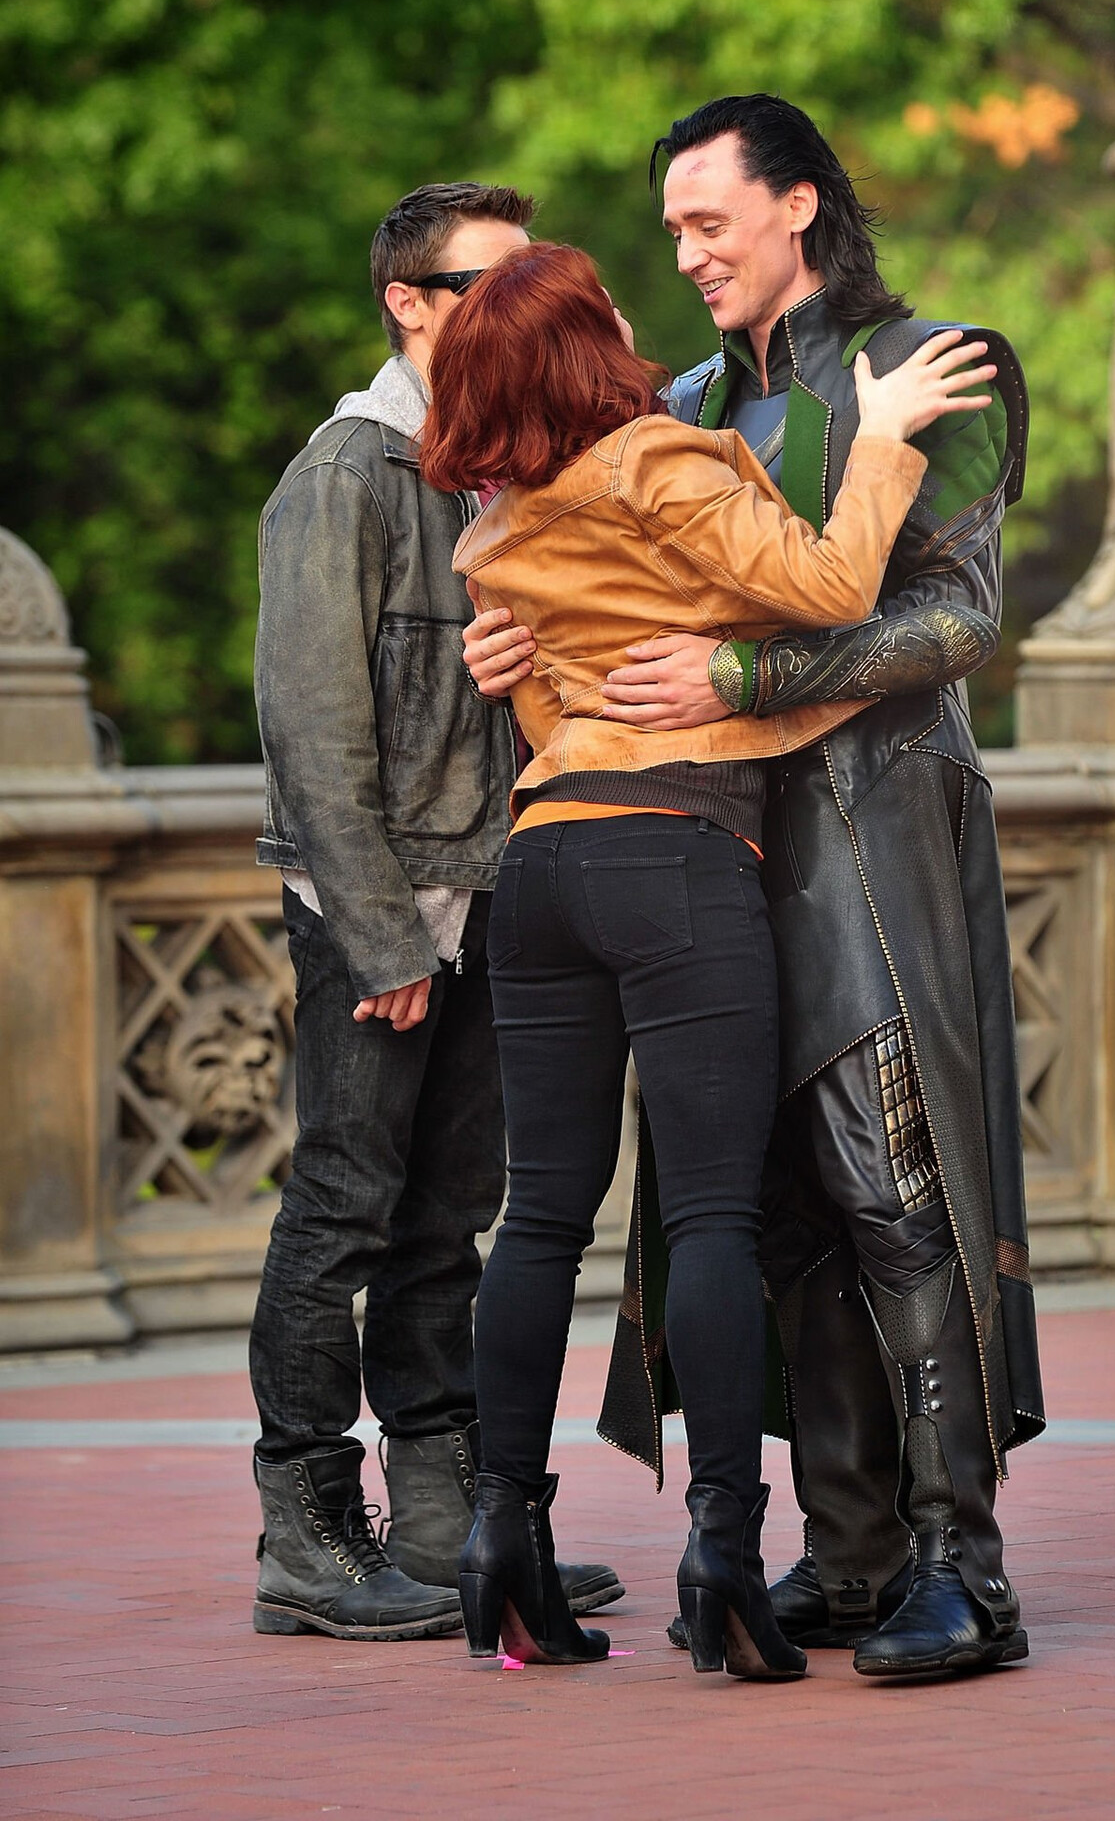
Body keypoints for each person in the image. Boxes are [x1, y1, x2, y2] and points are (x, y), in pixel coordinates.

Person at [466, 95, 1046, 1683]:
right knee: (766, 1212)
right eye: (669, 229)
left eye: (706, 220)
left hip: (868, 835)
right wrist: (521, 646)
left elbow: (955, 619)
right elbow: (572, 575)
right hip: (691, 844)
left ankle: (961, 1567)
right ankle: (848, 1554)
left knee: (891, 1190)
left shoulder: (936, 363)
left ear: (798, 204)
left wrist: (742, 674)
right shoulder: (680, 402)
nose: (684, 253)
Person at [248, 183, 621, 1640]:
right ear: (408, 302)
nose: (517, 304)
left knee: (448, 1217)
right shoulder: (344, 473)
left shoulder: (498, 469)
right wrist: (380, 934)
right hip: (383, 906)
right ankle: (305, 1532)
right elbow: (310, 729)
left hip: (491, 885)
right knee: (341, 1208)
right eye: (487, 281)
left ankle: (446, 1515)